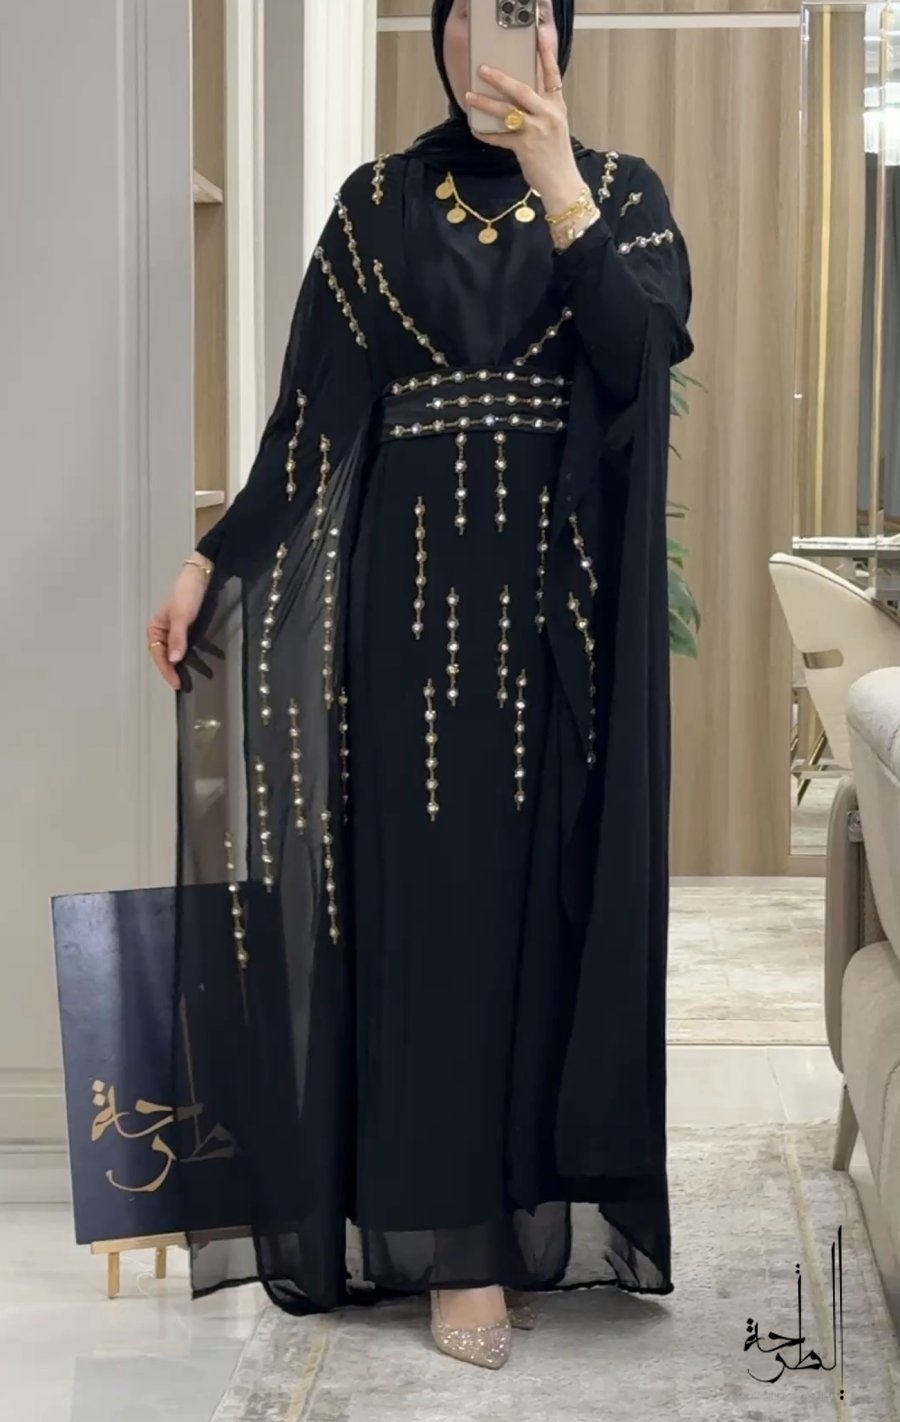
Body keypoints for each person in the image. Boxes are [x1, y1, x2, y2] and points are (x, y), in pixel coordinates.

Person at [148, 0, 692, 1372]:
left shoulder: (622, 195)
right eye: (468, 13)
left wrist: (561, 183)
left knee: (544, 905)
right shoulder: (375, 207)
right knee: (433, 907)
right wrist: (211, 563)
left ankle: (522, 1198)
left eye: (521, 12)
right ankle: (459, 1246)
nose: (490, 42)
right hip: (415, 624)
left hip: (564, 619)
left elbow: (638, 359)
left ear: (557, 33)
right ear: (441, 35)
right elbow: (307, 425)